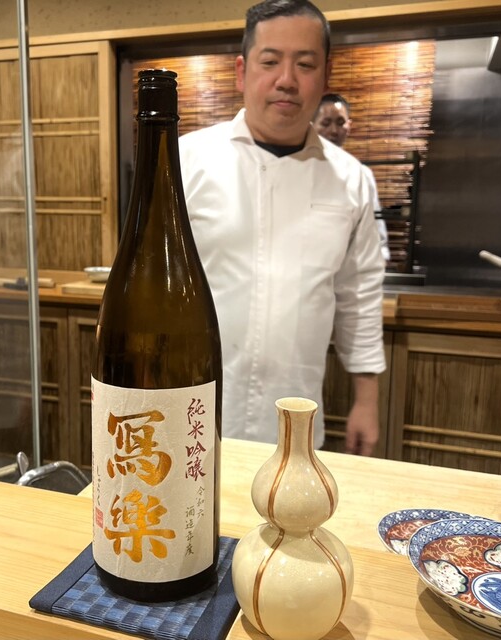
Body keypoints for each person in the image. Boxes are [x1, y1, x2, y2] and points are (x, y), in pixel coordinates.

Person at [178, 0, 386, 455]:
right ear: (242, 71)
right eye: (270, 61)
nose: (286, 79)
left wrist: (367, 401)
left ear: (325, 76)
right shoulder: (184, 161)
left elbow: (359, 295)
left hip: (297, 418)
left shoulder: (351, 180)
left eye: (305, 64)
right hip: (188, 410)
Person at [314, 93, 391, 261]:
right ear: (312, 126)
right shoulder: (300, 169)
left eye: (340, 123)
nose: (333, 131)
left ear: (349, 126)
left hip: (349, 267)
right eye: (326, 123)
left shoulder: (361, 174)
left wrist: (379, 259)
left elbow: (376, 231)